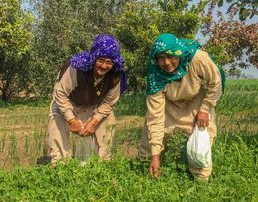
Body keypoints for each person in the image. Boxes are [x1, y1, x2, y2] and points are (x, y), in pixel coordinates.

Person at [139, 33, 225, 180]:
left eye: (171, 56)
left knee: (201, 136)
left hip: (197, 100)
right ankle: (146, 169)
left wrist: (205, 109)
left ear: (179, 53)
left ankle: (200, 181)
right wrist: (155, 155)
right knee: (151, 132)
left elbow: (215, 83)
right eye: (161, 58)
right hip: (170, 102)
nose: (166, 62)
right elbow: (156, 116)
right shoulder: (155, 74)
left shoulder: (197, 58)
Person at [48, 34, 127, 163]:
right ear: (94, 58)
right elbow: (60, 94)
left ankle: (103, 165)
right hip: (68, 104)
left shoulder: (115, 75)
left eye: (109, 63)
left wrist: (94, 122)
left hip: (93, 107)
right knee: (56, 116)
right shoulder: (77, 67)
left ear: (114, 63)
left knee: (108, 119)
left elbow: (108, 103)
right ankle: (60, 167)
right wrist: (71, 119)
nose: (104, 66)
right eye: (100, 60)